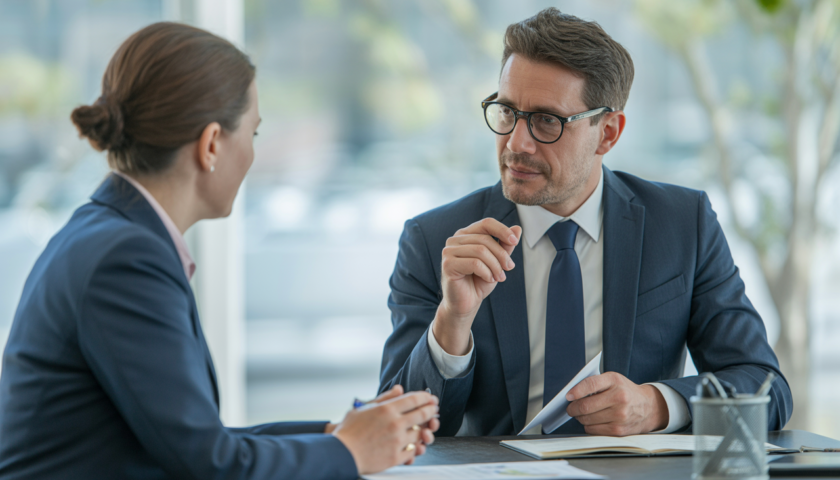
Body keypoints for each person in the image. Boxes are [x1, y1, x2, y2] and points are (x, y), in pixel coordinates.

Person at [0, 22, 438, 480]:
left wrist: (340, 433)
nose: (252, 154)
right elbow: (210, 466)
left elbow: (198, 441)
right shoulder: (126, 258)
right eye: (253, 134)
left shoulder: (107, 232)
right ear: (211, 144)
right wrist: (349, 452)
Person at [379, 8, 792, 437]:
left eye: (546, 121)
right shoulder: (434, 241)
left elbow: (766, 390)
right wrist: (452, 321)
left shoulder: (684, 225)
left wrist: (657, 405)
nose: (516, 143)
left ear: (608, 133)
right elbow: (395, 430)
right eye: (506, 112)